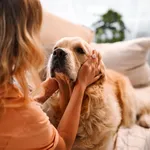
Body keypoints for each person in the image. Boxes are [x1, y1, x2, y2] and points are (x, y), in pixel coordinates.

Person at [0, 0, 101, 150]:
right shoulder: (26, 117)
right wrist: (80, 87)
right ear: (23, 41)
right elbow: (63, 144)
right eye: (35, 31)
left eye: (79, 50)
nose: (59, 53)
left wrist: (48, 86)